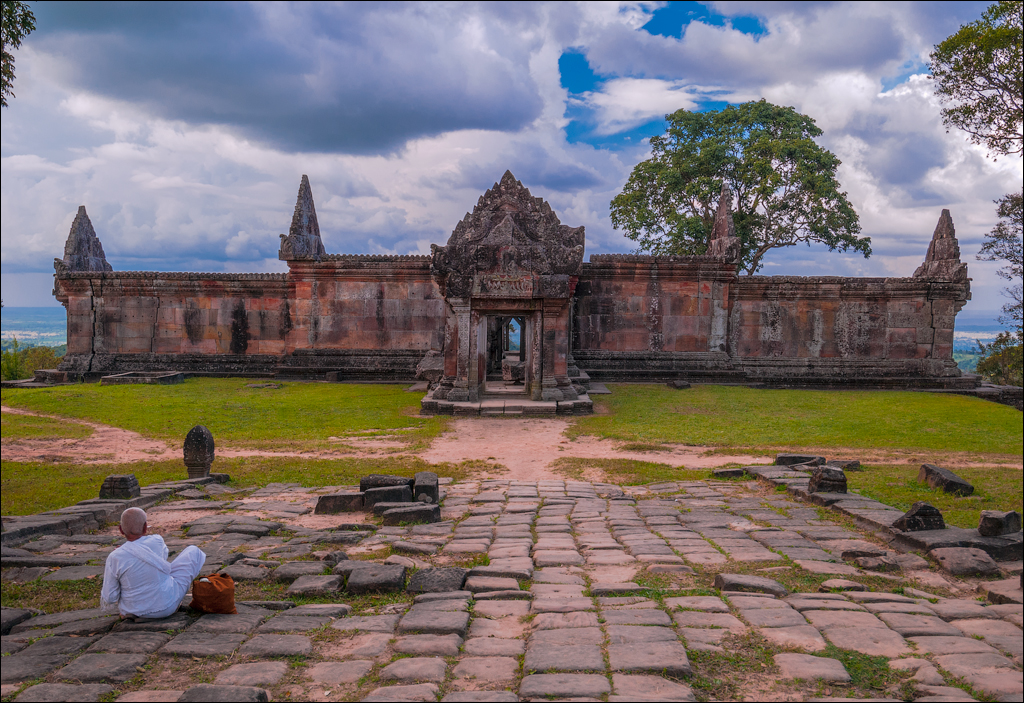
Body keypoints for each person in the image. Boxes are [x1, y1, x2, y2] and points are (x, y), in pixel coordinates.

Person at [100, 507, 206, 619]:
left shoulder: (115, 556)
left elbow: (110, 597)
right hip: (166, 607)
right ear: (145, 527)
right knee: (193, 551)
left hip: (132, 610)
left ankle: (135, 608)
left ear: (121, 530)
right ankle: (173, 600)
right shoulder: (157, 541)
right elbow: (163, 558)